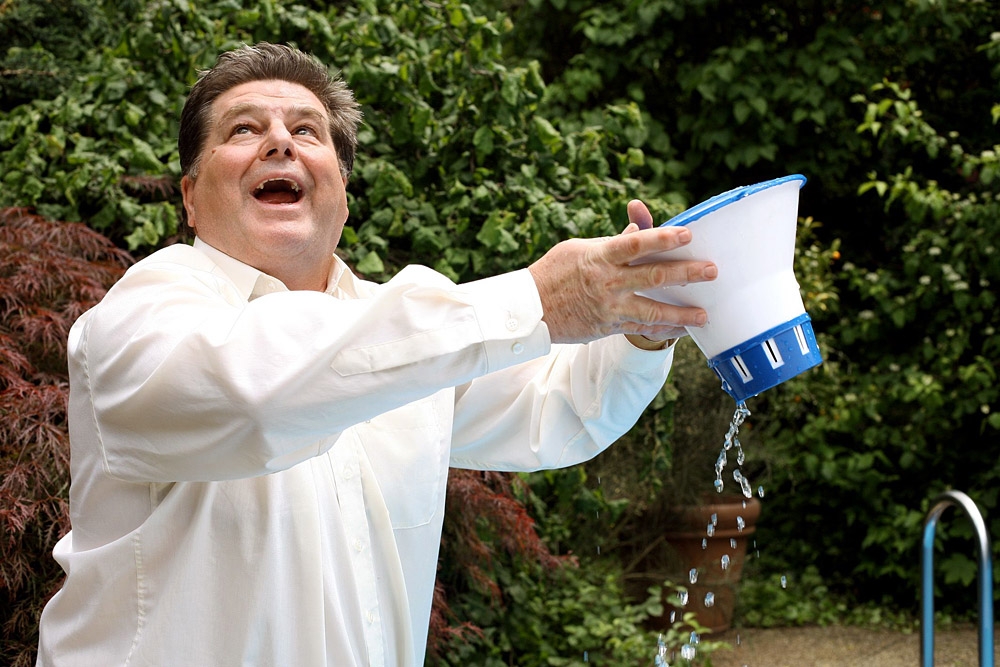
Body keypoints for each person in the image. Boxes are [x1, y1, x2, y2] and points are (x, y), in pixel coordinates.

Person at [35, 42, 717, 666]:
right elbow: (257, 392)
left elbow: (560, 407)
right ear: (190, 196)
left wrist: (641, 325)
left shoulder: (404, 335)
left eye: (307, 131)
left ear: (342, 193)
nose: (280, 141)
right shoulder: (138, 318)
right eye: (243, 129)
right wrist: (534, 297)